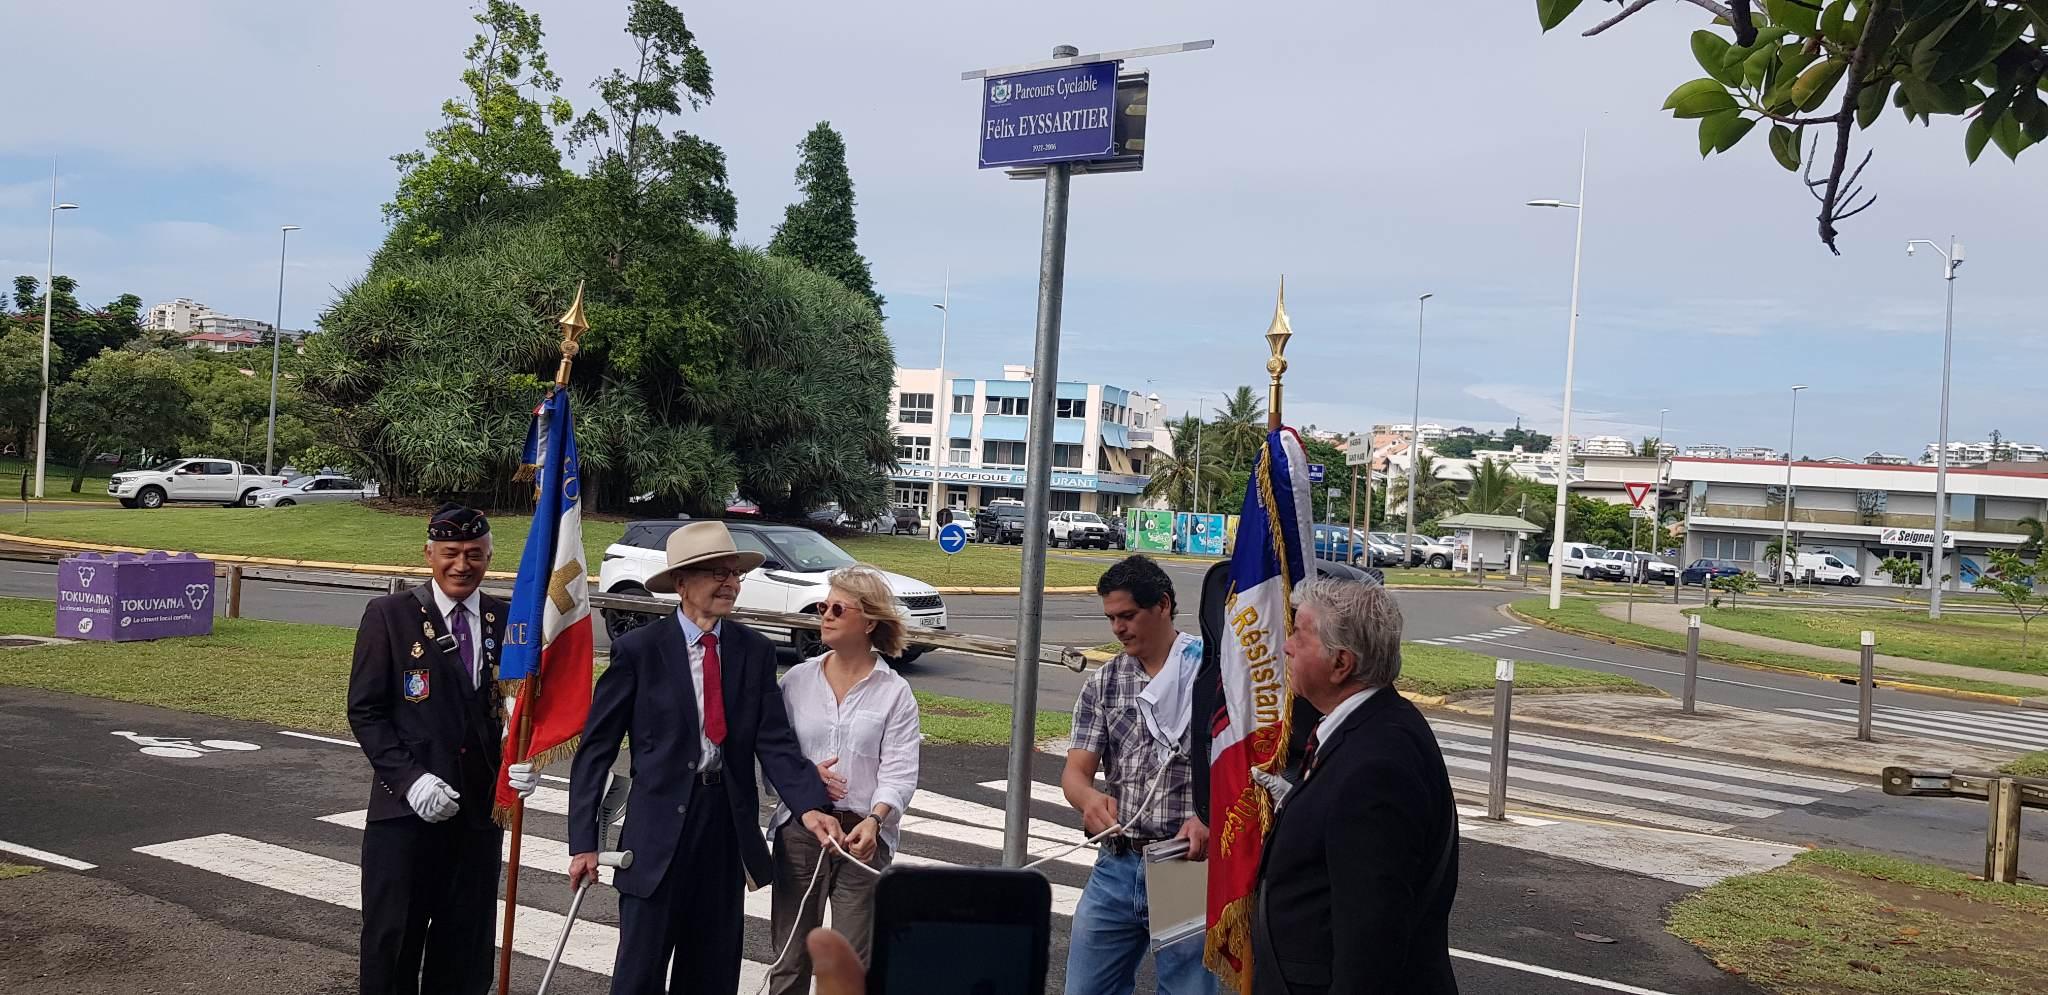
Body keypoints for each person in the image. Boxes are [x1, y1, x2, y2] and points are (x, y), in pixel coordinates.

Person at [567, 520, 845, 995]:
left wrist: (810, 806)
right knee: (640, 972)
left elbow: (773, 741)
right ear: (681, 584)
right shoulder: (639, 651)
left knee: (713, 971)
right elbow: (596, 749)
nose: (729, 583)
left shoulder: (752, 651)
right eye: (716, 573)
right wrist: (584, 841)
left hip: (723, 827)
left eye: (734, 574)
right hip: (655, 832)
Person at [1250, 577, 1459, 995]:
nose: (1286, 646)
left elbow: (1371, 938)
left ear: (1341, 663)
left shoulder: (1377, 764)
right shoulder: (1372, 727)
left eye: (1299, 634)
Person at [346, 504, 508, 995]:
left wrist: (521, 761)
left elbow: (518, 707)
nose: (462, 565)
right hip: (405, 816)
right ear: (429, 554)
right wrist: (411, 779)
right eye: (451, 553)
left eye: (475, 554)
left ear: (489, 556)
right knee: (394, 941)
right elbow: (366, 710)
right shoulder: (390, 616)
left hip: (479, 814)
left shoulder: (506, 620)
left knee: (466, 946)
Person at [1061, 555, 1216, 995]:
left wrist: (1211, 816)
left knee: (1187, 989)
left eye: (1127, 615)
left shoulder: (1208, 674)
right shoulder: (1105, 682)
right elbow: (1076, 771)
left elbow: (1246, 772)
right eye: (1111, 618)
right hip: (1117, 862)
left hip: (1183, 864)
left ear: (1163, 605)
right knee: (1085, 988)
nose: (1118, 628)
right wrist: (1088, 800)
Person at [767, 565, 922, 995]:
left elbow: (901, 767)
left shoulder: (894, 692)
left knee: (850, 966)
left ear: (869, 621)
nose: (826, 615)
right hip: (802, 830)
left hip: (863, 838)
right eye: (823, 606)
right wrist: (805, 780)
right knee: (790, 957)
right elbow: (775, 757)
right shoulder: (796, 681)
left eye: (838, 608)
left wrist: (876, 819)